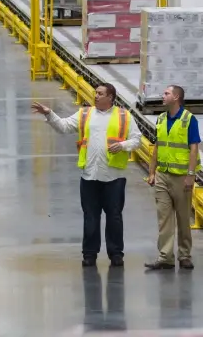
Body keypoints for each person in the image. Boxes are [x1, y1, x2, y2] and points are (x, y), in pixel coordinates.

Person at [32, 84, 142, 267]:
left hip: (114, 177)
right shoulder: (85, 114)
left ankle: (116, 254)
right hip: (89, 176)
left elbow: (137, 140)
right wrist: (49, 113)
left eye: (100, 94)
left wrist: (123, 146)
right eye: (95, 93)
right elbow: (65, 127)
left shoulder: (124, 116)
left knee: (114, 217)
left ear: (111, 97)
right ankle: (89, 254)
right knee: (90, 216)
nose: (96, 96)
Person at [144, 85, 202, 271]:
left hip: (181, 177)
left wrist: (191, 175)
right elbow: (157, 147)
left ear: (176, 97)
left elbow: (194, 148)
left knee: (183, 218)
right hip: (162, 175)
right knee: (164, 218)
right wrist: (152, 172)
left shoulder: (189, 120)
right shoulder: (161, 119)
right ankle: (165, 257)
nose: (163, 96)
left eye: (166, 93)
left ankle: (184, 254)